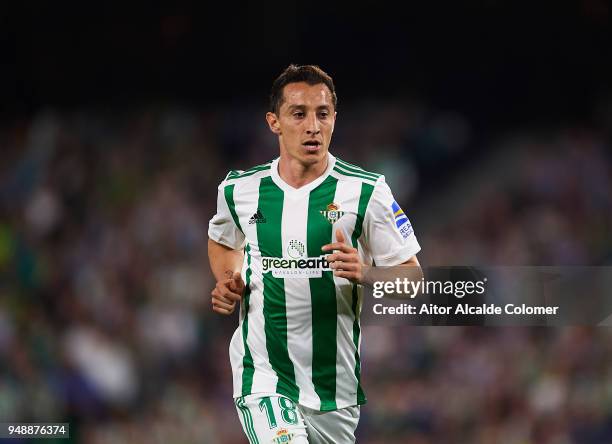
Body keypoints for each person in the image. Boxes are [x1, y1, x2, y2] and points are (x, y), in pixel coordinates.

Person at [208, 64, 421, 443]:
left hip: (334, 390)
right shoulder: (240, 190)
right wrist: (229, 279)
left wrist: (366, 273)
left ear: (334, 119)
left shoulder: (369, 192)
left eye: (322, 114)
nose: (313, 126)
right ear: (274, 122)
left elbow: (413, 282)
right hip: (264, 379)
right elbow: (224, 240)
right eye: (299, 113)